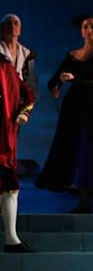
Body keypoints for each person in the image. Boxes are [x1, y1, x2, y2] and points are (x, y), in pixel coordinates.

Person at [36, 15, 93, 212]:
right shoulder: (72, 55)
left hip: (92, 106)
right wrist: (56, 87)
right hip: (73, 108)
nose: (88, 30)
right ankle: (82, 202)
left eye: (92, 26)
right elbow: (53, 82)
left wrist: (73, 79)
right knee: (77, 151)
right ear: (81, 31)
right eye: (85, 27)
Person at [0, 54, 35, 252]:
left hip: (3, 139)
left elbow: (28, 94)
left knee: (9, 186)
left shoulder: (6, 67)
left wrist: (24, 112)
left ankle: (12, 239)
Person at [0, 14, 38, 97]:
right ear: (2, 29)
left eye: (15, 23)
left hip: (20, 99)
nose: (12, 26)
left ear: (19, 30)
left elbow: (31, 81)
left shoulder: (27, 53)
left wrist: (30, 99)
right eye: (8, 23)